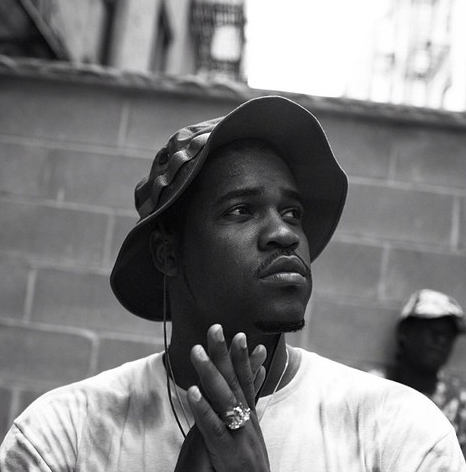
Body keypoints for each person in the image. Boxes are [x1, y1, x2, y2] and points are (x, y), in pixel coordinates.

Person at [0, 96, 464, 471]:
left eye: (293, 213)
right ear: (167, 253)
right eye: (241, 210)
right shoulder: (64, 436)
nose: (284, 233)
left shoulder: (399, 435)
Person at [368, 288, 466, 456]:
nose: (441, 341)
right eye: (434, 331)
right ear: (404, 331)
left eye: (449, 336)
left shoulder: (459, 402)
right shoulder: (372, 388)